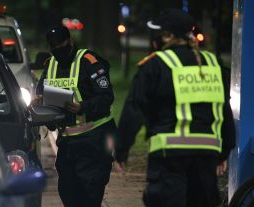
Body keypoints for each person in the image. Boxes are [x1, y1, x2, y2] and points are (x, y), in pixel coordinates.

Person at [125, 9, 236, 207]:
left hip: (169, 154)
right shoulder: (212, 63)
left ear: (168, 36)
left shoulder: (156, 64)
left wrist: (121, 149)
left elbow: (135, 107)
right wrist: (225, 150)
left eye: (158, 34)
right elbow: (222, 108)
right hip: (206, 153)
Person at [35, 25, 116, 207]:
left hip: (94, 140)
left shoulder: (89, 60)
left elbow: (106, 97)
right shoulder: (51, 65)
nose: (57, 49)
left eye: (60, 44)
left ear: (70, 41)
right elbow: (41, 92)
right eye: (52, 46)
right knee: (68, 194)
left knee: (90, 196)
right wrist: (39, 101)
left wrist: (82, 107)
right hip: (67, 143)